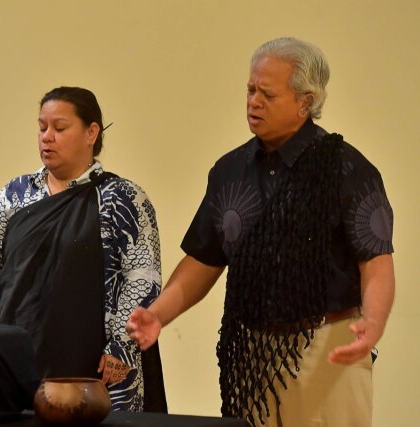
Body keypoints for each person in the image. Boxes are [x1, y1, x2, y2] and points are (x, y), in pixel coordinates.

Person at [126, 37, 395, 426]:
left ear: (305, 101)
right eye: (250, 90)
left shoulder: (346, 170)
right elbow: (203, 260)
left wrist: (373, 322)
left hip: (327, 348)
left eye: (267, 94)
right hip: (250, 352)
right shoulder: (229, 171)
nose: (253, 101)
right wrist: (159, 314)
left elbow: (376, 261)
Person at [0, 87, 167, 412]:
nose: (47, 137)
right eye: (42, 127)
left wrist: (122, 347)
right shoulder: (15, 195)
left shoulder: (123, 198)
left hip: (99, 369)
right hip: (14, 361)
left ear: (91, 132)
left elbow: (143, 277)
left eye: (59, 128)